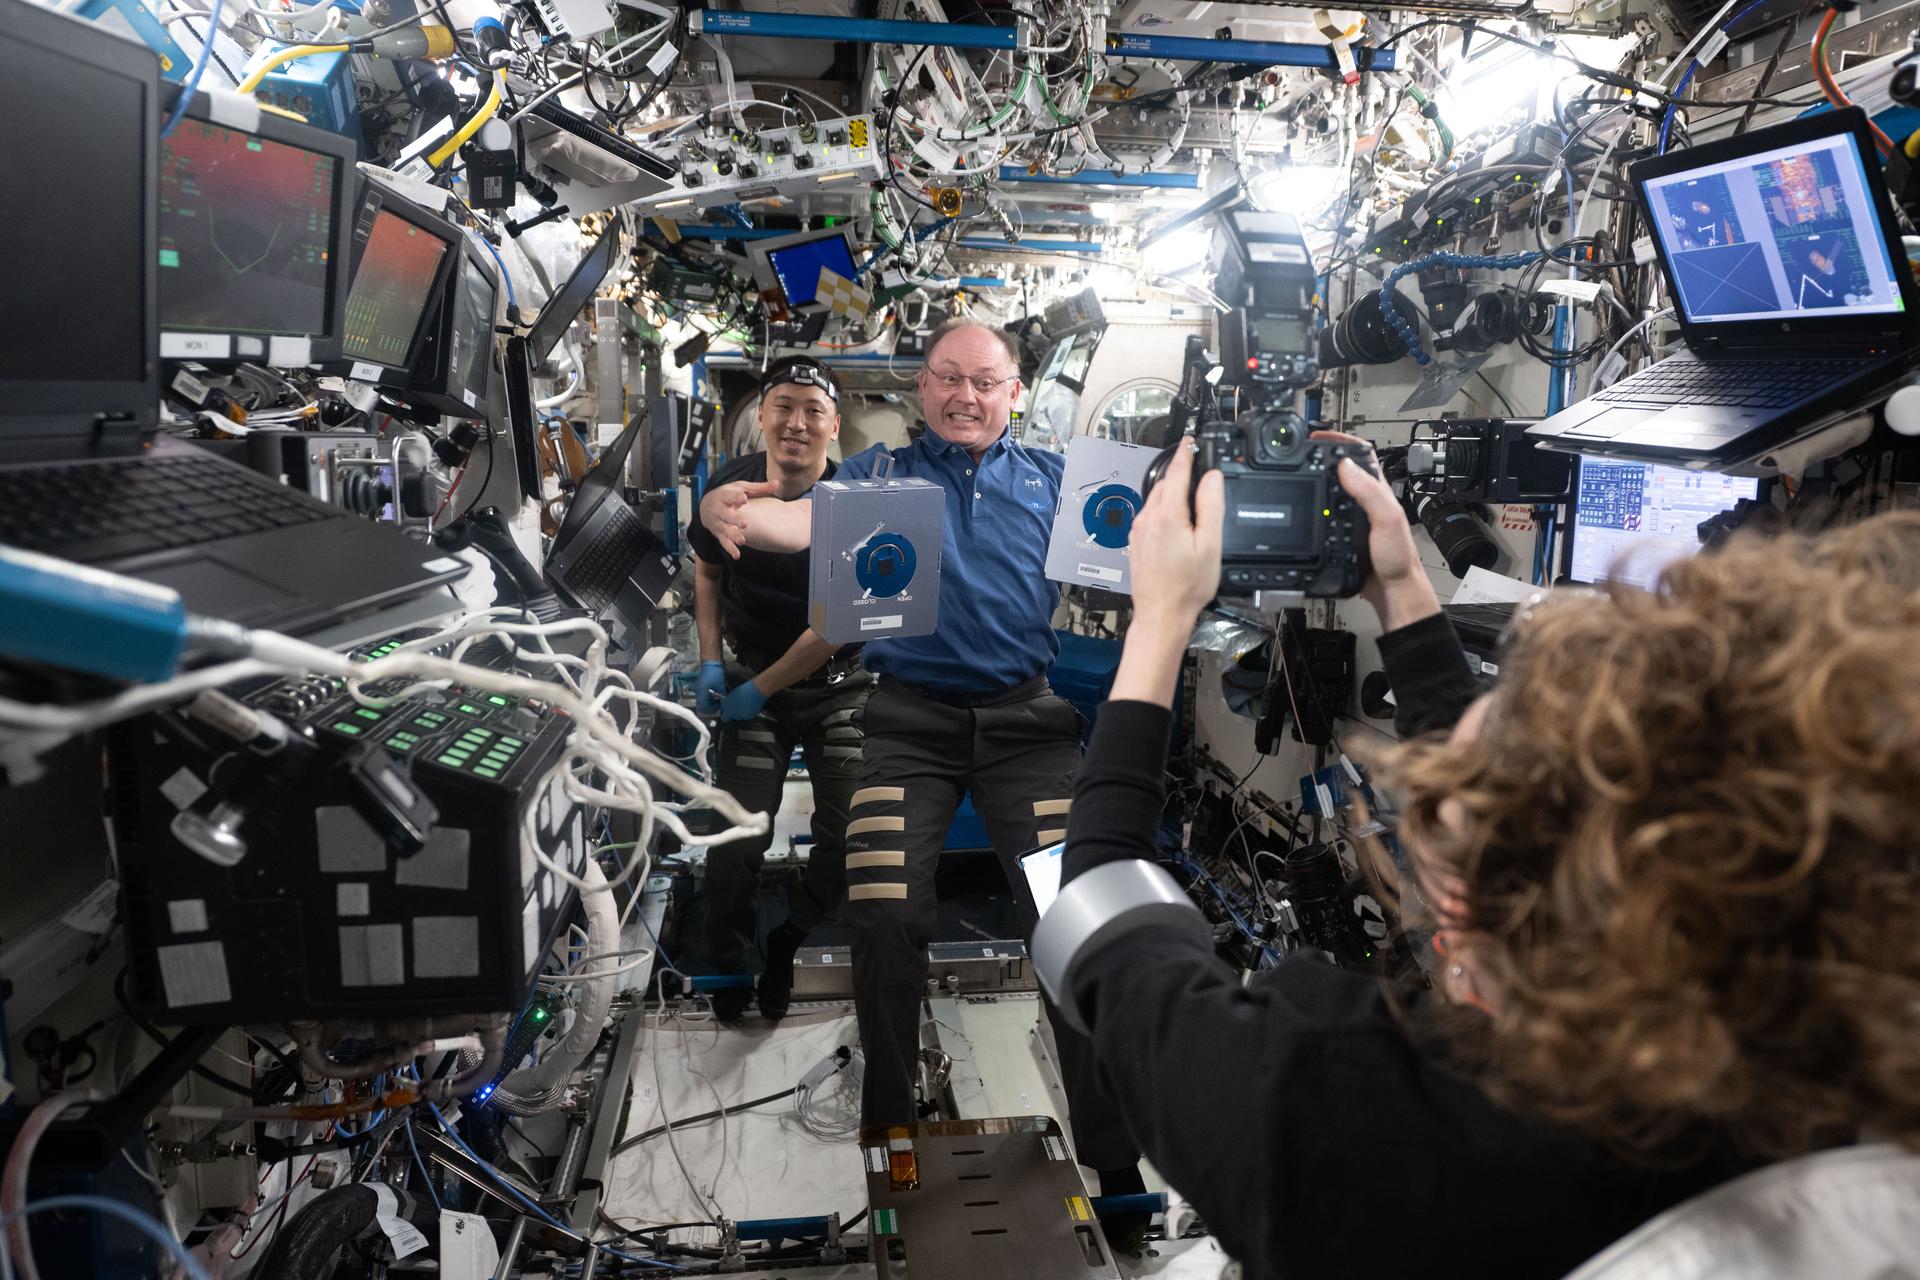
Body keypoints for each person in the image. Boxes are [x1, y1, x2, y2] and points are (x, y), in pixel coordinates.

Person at [1051, 434, 1920, 1278]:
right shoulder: (1867, 1092)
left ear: (1459, 912)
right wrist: (1398, 586)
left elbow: (1103, 906)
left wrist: (1162, 619)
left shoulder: (1349, 1125)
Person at [699, 319, 1145, 1198]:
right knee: (884, 916)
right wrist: (735, 509)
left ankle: (1114, 1153)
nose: (965, 397)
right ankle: (888, 1129)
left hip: (1030, 730)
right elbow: (796, 520)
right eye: (948, 378)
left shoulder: (1060, 481)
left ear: (1014, 393)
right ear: (922, 389)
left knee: (1072, 921)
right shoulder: (877, 481)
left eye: (985, 382)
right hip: (905, 730)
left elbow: (1139, 539)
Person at [686, 356, 873, 1023]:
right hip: (750, 672)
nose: (796, 423)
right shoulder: (728, 488)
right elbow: (707, 578)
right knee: (737, 833)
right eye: (783, 406)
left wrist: (757, 689)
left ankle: (789, 935)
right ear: (760, 417)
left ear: (834, 427)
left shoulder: (857, 502)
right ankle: (729, 961)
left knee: (849, 834)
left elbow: (834, 628)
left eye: (813, 411)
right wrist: (713, 662)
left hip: (839, 684)